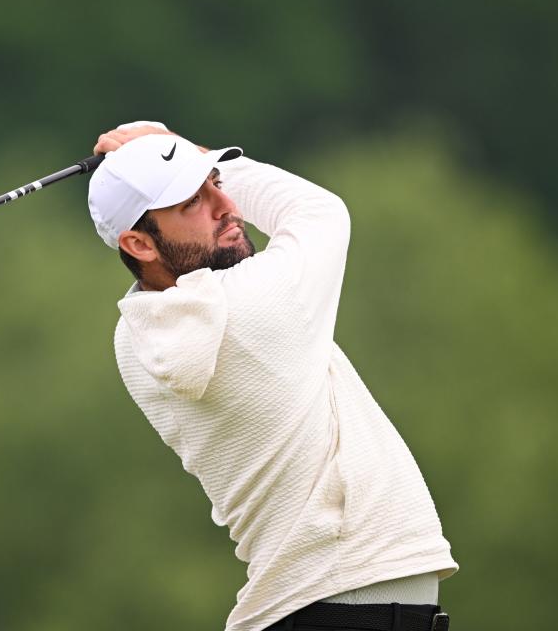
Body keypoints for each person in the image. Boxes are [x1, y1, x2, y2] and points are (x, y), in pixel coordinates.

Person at [88, 121, 457, 631]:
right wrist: (188, 147)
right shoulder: (254, 303)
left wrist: (169, 162)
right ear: (140, 244)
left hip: (319, 608)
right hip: (340, 608)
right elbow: (320, 211)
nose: (227, 206)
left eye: (217, 182)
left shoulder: (134, 337)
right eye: (192, 202)